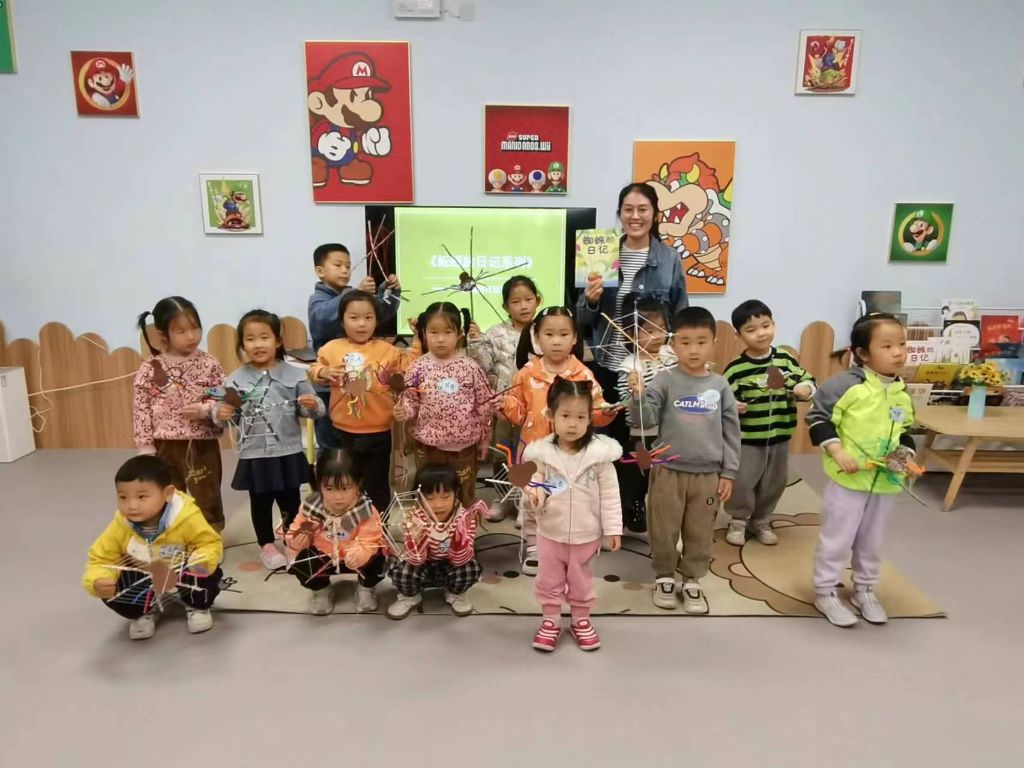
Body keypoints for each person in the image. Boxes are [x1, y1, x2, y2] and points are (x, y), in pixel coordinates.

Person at [806, 313, 915, 628]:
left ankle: (864, 590)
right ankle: (825, 592)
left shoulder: (902, 391)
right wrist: (837, 451)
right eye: (887, 346)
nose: (898, 352)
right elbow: (817, 418)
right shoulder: (845, 385)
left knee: (872, 541)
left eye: (902, 344)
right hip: (848, 481)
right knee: (837, 539)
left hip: (885, 483)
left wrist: (905, 456)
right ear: (863, 353)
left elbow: (906, 431)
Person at [628, 307, 740, 614]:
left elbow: (732, 431)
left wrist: (729, 472)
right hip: (668, 470)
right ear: (672, 343)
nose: (693, 349)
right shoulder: (663, 380)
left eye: (701, 342)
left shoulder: (720, 385)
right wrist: (638, 396)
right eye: (685, 342)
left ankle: (692, 578)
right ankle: (664, 575)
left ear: (713, 343)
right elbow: (645, 420)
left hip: (708, 475)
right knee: (663, 528)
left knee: (700, 529)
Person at [502, 307, 621, 574]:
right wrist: (505, 405)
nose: (556, 341)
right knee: (533, 500)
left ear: (575, 337)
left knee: (566, 500)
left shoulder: (583, 375)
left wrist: (606, 412)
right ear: (536, 337)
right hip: (534, 452)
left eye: (564, 334)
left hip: (572, 454)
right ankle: (534, 545)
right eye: (549, 334)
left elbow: (596, 412)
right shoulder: (526, 374)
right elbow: (518, 415)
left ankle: (569, 543)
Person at [214, 310, 324, 571]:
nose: (258, 344)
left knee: (291, 501)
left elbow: (315, 410)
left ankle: (293, 541)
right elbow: (224, 416)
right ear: (242, 344)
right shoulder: (234, 380)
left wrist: (312, 405)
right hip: (255, 453)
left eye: (264, 337)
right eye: (250, 339)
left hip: (287, 451)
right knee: (260, 502)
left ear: (278, 340)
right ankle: (266, 545)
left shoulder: (296, 375)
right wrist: (222, 413)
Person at [523, 379, 623, 653]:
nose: (572, 424)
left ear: (590, 419)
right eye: (565, 415)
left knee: (582, 580)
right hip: (550, 532)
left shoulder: (599, 457)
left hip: (586, 534)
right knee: (549, 578)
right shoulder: (542, 454)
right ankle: (551, 620)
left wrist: (613, 529)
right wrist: (533, 494)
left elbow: (611, 495)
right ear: (551, 415)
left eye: (580, 417)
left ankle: (581, 620)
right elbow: (533, 483)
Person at [576, 182, 688, 425]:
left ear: (655, 215)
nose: (635, 216)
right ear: (620, 214)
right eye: (628, 209)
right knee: (608, 435)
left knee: (648, 433)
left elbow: (681, 317)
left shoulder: (669, 259)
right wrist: (591, 301)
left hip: (652, 370)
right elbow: (582, 321)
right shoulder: (601, 253)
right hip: (607, 367)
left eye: (643, 209)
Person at [83, 456, 223, 640]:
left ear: (167, 493)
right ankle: (144, 610)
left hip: (182, 569)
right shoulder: (121, 525)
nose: (132, 506)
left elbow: (209, 542)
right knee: (113, 586)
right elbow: (101, 558)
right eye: (123, 497)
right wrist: (98, 580)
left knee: (207, 572)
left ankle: (197, 606)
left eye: (142, 497)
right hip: (144, 574)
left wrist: (201, 560)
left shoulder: (186, 517)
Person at [309, 290, 412, 512]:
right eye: (354, 317)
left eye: (368, 317)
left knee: (377, 485)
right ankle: (349, 522)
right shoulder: (331, 348)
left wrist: (420, 340)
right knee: (346, 482)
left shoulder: (389, 351)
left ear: (376, 320)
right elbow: (314, 369)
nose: (362, 324)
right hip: (343, 432)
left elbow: (410, 368)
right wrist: (323, 372)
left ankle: (379, 527)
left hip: (380, 432)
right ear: (342, 321)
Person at [722, 300, 816, 546]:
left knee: (775, 482)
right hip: (748, 439)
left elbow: (807, 380)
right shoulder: (736, 369)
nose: (761, 333)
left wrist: (805, 388)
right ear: (738, 335)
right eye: (751, 330)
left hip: (780, 436)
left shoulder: (785, 360)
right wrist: (732, 406)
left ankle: (762, 520)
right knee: (743, 481)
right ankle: (738, 520)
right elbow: (722, 398)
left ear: (773, 324)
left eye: (766, 325)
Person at [133, 296, 225, 531]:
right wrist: (145, 447)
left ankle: (210, 537)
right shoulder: (150, 368)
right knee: (169, 496)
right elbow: (141, 409)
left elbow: (221, 396)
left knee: (207, 495)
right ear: (163, 334)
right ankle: (175, 537)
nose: (191, 336)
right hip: (164, 445)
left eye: (195, 328)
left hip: (201, 444)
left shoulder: (209, 364)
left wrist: (205, 410)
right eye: (181, 331)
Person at [393, 302, 495, 508]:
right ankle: (429, 528)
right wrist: (404, 411)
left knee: (463, 494)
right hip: (428, 447)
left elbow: (485, 405)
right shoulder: (418, 367)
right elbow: (411, 400)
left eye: (448, 332)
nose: (440, 339)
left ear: (459, 334)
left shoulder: (470, 367)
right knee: (431, 496)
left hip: (464, 448)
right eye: (433, 332)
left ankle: (464, 527)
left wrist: (485, 439)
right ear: (424, 333)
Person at [307, 243, 402, 449]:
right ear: (320, 271)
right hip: (330, 384)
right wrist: (355, 293)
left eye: (348, 266)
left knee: (358, 437)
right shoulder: (318, 300)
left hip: (357, 382)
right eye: (338, 265)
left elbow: (378, 312)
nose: (345, 270)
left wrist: (390, 293)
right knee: (332, 445)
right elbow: (322, 318)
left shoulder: (351, 294)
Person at [467, 275, 541, 521]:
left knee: (530, 453)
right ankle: (503, 498)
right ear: (505, 306)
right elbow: (484, 366)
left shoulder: (543, 330)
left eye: (528, 299)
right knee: (503, 452)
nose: (523, 306)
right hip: (504, 407)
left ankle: (526, 500)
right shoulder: (496, 333)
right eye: (516, 302)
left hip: (535, 406)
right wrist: (475, 341)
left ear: (538, 300)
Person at [284, 449, 388, 615]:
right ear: (319, 486)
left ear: (358, 484)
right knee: (301, 560)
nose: (338, 497)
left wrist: (360, 553)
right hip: (323, 555)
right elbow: (296, 529)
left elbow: (370, 539)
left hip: (353, 557)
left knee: (380, 555)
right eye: (330, 488)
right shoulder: (312, 507)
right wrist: (296, 540)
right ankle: (321, 590)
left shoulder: (365, 510)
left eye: (345, 488)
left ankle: (366, 588)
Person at [386, 464, 485, 619]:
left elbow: (460, 560)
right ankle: (410, 597)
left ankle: (455, 593)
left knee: (470, 568)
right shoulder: (415, 519)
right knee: (401, 568)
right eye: (430, 498)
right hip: (423, 566)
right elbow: (415, 560)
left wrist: (459, 540)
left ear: (456, 493)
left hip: (452, 565)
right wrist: (416, 541)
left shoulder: (464, 519)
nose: (438, 505)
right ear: (419, 496)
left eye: (446, 497)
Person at [613, 297, 676, 532]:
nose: (656, 336)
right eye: (648, 331)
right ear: (631, 334)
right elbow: (624, 401)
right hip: (641, 432)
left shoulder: (672, 357)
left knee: (663, 476)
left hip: (669, 431)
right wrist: (634, 390)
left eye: (661, 329)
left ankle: (659, 510)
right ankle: (631, 507)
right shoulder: (630, 365)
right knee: (636, 475)